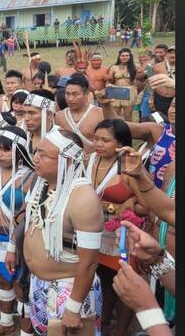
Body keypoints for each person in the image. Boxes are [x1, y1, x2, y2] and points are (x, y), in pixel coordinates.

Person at [20, 127, 104, 336]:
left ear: (67, 160)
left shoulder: (83, 198)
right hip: (38, 281)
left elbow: (90, 262)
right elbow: (30, 222)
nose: (35, 158)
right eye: (36, 151)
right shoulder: (42, 183)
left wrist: (73, 307)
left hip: (69, 288)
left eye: (43, 155)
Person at [85, 119, 145, 335]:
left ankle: (120, 330)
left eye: (105, 140)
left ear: (120, 143)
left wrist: (123, 205)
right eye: (96, 138)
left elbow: (147, 206)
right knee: (102, 277)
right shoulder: (88, 160)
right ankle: (103, 322)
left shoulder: (129, 167)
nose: (98, 144)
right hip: (93, 231)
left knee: (124, 283)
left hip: (120, 237)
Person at [0, 127, 35, 336]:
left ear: (19, 150)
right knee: (2, 279)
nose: (0, 153)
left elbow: (28, 215)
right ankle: (5, 322)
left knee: (22, 286)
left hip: (18, 239)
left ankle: (26, 331)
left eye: (6, 149)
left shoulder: (30, 176)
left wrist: (15, 241)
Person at [55, 75, 103, 157]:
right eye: (67, 94)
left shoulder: (100, 114)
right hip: (66, 164)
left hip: (91, 165)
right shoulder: (59, 116)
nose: (70, 99)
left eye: (75, 94)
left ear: (86, 94)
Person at [23, 89, 56, 156]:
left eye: (32, 113)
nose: (26, 118)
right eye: (24, 113)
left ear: (49, 114)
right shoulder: (23, 135)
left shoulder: (60, 139)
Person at [107, 48, 137, 121]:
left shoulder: (134, 67)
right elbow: (109, 80)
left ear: (130, 57)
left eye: (127, 55)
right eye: (122, 55)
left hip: (129, 91)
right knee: (115, 114)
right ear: (119, 57)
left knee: (128, 115)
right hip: (116, 91)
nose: (125, 57)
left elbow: (136, 80)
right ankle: (115, 130)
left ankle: (129, 130)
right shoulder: (114, 67)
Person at [149, 46, 175, 116]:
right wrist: (151, 98)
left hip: (174, 100)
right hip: (159, 98)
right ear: (166, 55)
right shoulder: (157, 66)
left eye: (175, 53)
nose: (172, 55)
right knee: (159, 119)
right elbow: (152, 83)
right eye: (170, 53)